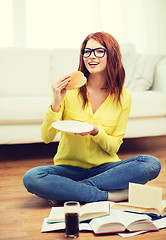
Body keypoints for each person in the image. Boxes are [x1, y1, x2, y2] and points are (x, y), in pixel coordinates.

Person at [23, 32, 161, 203]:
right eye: (87, 51)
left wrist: (97, 132)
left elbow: (113, 148)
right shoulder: (70, 90)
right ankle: (109, 195)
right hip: (68, 168)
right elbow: (46, 137)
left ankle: (71, 190)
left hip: (106, 169)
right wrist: (57, 101)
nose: (91, 56)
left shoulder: (124, 96)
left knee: (151, 163)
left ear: (111, 55)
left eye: (99, 51)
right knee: (32, 177)